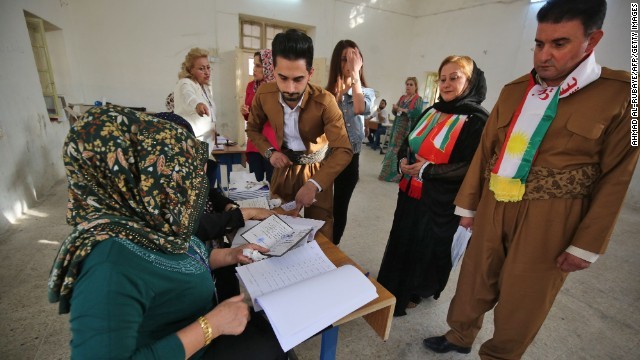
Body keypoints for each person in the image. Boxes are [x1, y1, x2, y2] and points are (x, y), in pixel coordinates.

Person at [424, 1, 640, 358]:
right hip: (495, 202)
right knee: (474, 280)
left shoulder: (624, 96)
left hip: (553, 213)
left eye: (559, 43)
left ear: (593, 40)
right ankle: (459, 336)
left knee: (526, 296)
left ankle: (501, 354)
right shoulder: (514, 90)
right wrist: (469, 205)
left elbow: (619, 175)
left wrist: (587, 243)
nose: (544, 55)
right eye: (539, 43)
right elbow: (485, 154)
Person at [48, 105, 286, 359]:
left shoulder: (147, 221)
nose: (185, 184)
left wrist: (230, 255)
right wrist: (210, 327)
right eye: (171, 173)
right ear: (136, 177)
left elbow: (176, 264)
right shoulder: (108, 267)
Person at [377, 56, 489, 317]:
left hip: (441, 201)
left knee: (426, 245)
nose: (446, 84)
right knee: (403, 236)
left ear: (469, 82)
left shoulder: (477, 120)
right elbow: (408, 140)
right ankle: (393, 283)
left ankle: (416, 290)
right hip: (410, 193)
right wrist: (404, 159)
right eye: (443, 78)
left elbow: (473, 165)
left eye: (455, 78)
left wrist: (428, 170)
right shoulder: (431, 111)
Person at [246, 29, 353, 242]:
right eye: (282, 78)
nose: (290, 88)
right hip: (283, 167)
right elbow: (253, 129)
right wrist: (270, 153)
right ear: (273, 70)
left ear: (310, 73)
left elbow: (343, 149)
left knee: (321, 231)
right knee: (278, 226)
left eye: (298, 79)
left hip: (318, 169)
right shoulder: (264, 94)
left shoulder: (325, 101)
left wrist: (315, 184)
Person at [325, 39, 375, 245]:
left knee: (340, 207)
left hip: (349, 159)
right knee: (322, 206)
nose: (348, 64)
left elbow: (360, 108)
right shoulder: (326, 94)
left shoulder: (366, 92)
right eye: (344, 59)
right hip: (326, 158)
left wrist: (355, 76)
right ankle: (317, 246)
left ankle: (332, 246)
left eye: (353, 59)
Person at [173, 47, 218, 188]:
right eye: (201, 68)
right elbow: (189, 97)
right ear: (190, 69)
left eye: (208, 68)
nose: (207, 72)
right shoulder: (185, 83)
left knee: (207, 180)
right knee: (197, 188)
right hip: (191, 146)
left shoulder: (204, 88)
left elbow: (210, 114)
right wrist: (197, 104)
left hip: (204, 146)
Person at [241, 49, 277, 182]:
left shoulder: (276, 87)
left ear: (268, 66)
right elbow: (249, 116)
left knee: (273, 184)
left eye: (258, 65)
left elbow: (276, 117)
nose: (254, 69)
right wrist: (245, 113)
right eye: (253, 65)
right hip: (254, 143)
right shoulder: (251, 86)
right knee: (256, 184)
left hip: (271, 143)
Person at [379, 77, 423, 182]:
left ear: (416, 87)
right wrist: (394, 109)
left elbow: (417, 113)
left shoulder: (418, 99)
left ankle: (399, 176)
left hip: (407, 130)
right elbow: (396, 112)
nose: (408, 86)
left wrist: (403, 110)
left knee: (402, 151)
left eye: (411, 84)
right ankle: (386, 174)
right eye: (407, 84)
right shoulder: (403, 97)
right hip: (397, 128)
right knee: (392, 149)